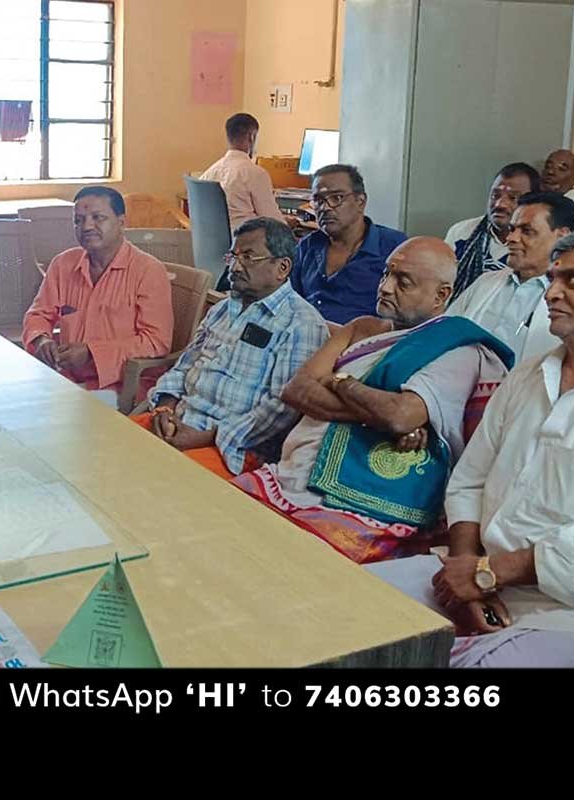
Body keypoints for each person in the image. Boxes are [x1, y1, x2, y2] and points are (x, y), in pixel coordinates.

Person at [369, 230, 574, 667]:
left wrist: (489, 575)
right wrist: (465, 568)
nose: (552, 293)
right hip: (478, 572)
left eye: (572, 281)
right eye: (553, 278)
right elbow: (470, 480)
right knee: (349, 608)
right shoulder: (526, 377)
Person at [235, 237, 513, 563]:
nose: (385, 287)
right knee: (218, 518)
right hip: (292, 473)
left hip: (369, 498)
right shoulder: (361, 328)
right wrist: (375, 415)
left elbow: (400, 415)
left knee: (286, 560)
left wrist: (341, 383)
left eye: (402, 282)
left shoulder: (456, 347)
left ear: (442, 296)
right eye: (386, 274)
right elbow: (297, 390)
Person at [133, 218, 327, 479]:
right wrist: (164, 409)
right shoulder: (224, 308)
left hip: (231, 448)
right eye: (233, 256)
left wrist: (206, 437)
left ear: (282, 267)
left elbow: (282, 409)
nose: (235, 267)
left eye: (248, 257)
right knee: (108, 447)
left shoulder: (301, 323)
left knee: (151, 480)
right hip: (177, 422)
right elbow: (186, 365)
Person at [22, 186, 173, 400]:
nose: (87, 227)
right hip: (67, 379)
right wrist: (42, 340)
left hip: (122, 385)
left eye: (98, 218)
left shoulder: (148, 271)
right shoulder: (63, 264)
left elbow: (156, 342)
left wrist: (92, 353)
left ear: (122, 222)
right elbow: (38, 315)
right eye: (79, 220)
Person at [447, 191, 574, 363]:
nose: (511, 238)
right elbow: (446, 332)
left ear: (562, 236)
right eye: (512, 229)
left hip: (526, 387)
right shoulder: (487, 281)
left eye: (527, 231)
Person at [290, 164, 408, 325]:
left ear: (360, 201)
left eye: (336, 198)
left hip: (364, 344)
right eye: (318, 200)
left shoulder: (394, 247)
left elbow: (406, 316)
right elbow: (291, 303)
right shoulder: (308, 246)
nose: (325, 208)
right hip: (306, 339)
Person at [445, 162, 541, 301]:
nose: (500, 204)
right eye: (495, 195)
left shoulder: (534, 246)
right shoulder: (461, 233)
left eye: (513, 198)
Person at [198, 112, 286, 231]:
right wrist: (290, 223)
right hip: (247, 244)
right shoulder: (255, 173)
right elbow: (275, 222)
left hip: (217, 245)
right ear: (251, 137)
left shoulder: (208, 174)